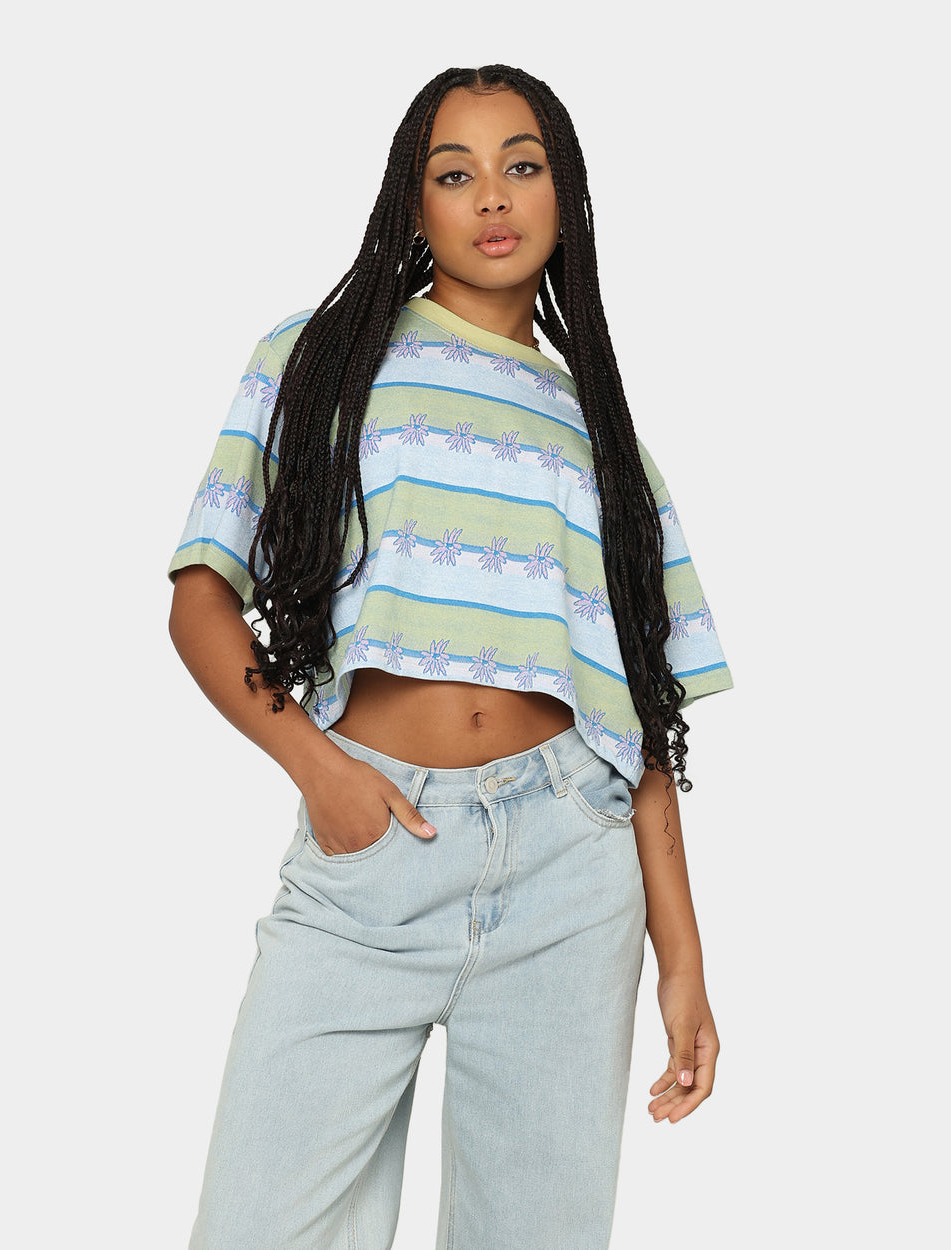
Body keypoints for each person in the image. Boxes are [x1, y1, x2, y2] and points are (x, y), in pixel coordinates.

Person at [168, 63, 732, 1250]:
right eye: (454, 171)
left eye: (522, 165)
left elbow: (639, 716)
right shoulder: (318, 357)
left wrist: (680, 956)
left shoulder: (603, 435)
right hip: (372, 843)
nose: (492, 196)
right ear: (411, 201)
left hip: (571, 871)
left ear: (565, 193)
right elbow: (200, 599)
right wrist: (318, 767)